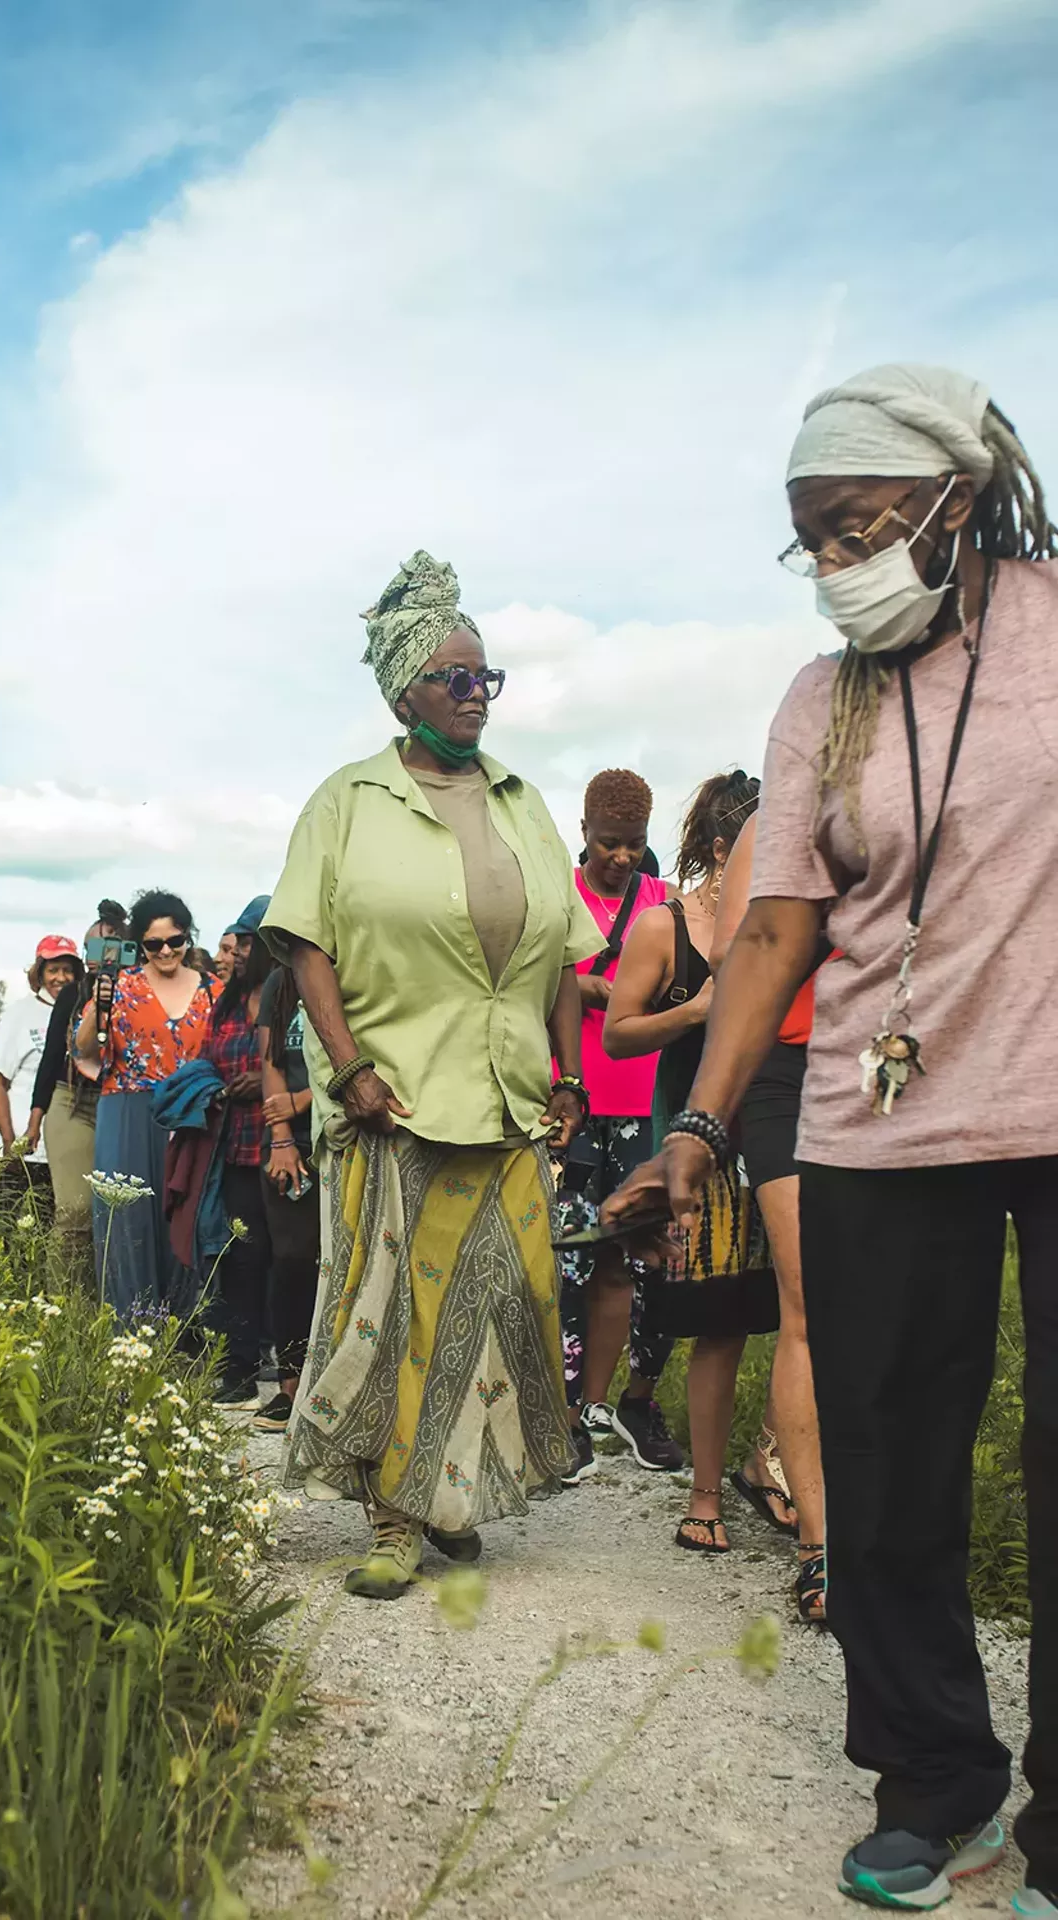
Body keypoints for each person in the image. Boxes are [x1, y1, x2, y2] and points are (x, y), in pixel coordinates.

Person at [603, 364, 1058, 1913]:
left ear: (957, 497)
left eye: (860, 525)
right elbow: (779, 929)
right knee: (887, 1457)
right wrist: (702, 1125)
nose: (839, 564)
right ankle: (936, 1784)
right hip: (877, 1122)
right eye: (813, 541)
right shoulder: (826, 696)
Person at [263, 549, 598, 1599]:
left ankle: (454, 1489)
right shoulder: (347, 801)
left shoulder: (521, 802)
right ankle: (395, 1516)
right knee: (392, 1309)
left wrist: (568, 1075)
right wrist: (348, 1065)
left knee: (500, 1303)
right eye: (453, 677)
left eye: (483, 678)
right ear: (402, 687)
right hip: (394, 1098)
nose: (472, 696)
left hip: (505, 1098)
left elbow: (562, 954)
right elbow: (305, 944)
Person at [603, 771, 780, 1556]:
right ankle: (705, 1495)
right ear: (723, 846)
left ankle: (771, 1465)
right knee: (722, 1328)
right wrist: (697, 1010)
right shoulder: (660, 928)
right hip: (699, 1148)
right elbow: (617, 1034)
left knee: (806, 1321)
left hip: (784, 1135)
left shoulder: (788, 918)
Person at [711, 811, 828, 1625]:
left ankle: (775, 1459)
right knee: (811, 1303)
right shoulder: (788, 804)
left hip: (908, 1067)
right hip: (791, 1067)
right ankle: (823, 1546)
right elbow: (732, 951)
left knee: (897, 1310)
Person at [556, 767, 682, 1484]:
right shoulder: (557, 895)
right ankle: (564, 1418)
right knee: (568, 1258)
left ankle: (620, 1405)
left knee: (637, 1263)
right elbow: (524, 976)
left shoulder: (662, 903)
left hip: (647, 1100)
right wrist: (585, 985)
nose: (622, 858)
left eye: (634, 845)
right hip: (572, 1098)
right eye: (609, 843)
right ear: (583, 833)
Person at [76, 890, 214, 1318]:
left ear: (188, 938)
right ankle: (129, 1336)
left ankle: (186, 1337)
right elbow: (84, 1051)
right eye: (154, 944)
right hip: (128, 1112)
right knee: (128, 1223)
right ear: (141, 945)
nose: (167, 950)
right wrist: (98, 1006)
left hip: (192, 1117)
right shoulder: (121, 986)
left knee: (187, 1221)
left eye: (175, 940)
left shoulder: (215, 991)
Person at [200, 896, 276, 1407]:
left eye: (249, 940)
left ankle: (289, 1365)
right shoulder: (226, 1003)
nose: (240, 950)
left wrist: (267, 1087)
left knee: (288, 1261)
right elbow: (205, 1059)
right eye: (238, 940)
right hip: (235, 1148)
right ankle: (239, 1368)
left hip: (284, 1146)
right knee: (240, 1261)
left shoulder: (293, 997)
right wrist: (223, 1087)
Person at [28, 901, 127, 1241]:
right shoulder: (73, 993)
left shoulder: (140, 991)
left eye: (107, 946)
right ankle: (63, 1294)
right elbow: (53, 1056)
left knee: (119, 1212)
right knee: (74, 1212)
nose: (98, 957)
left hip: (122, 1103)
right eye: (90, 948)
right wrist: (34, 1122)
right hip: (73, 1100)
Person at [253, 961, 319, 1433]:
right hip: (291, 1144)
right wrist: (281, 1136)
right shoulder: (282, 980)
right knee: (292, 1259)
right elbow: (271, 1061)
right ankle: (290, 1385)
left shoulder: (357, 969)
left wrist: (305, 1098)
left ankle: (334, 1387)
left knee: (340, 1262)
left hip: (345, 1129)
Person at [0, 935, 82, 1228]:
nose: (60, 978)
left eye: (67, 970)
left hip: (63, 1148)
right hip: (24, 1150)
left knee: (54, 1229)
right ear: (39, 973)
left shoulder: (82, 1012)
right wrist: (9, 1142)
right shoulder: (19, 1014)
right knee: (12, 1233)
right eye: (53, 970)